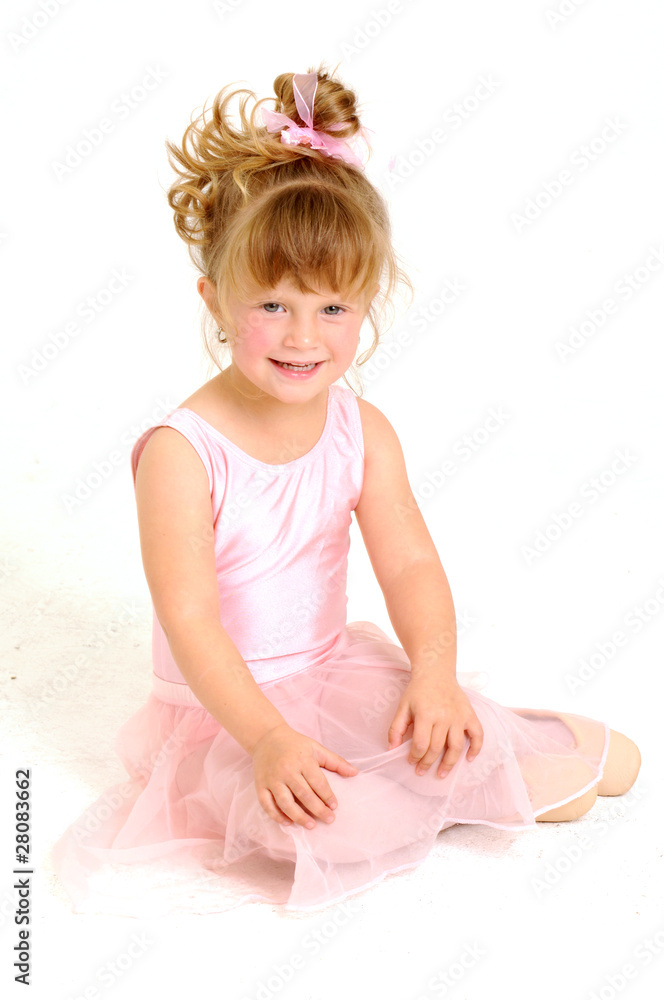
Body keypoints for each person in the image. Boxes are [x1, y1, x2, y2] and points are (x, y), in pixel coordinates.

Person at [50, 65, 641, 917]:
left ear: (367, 303)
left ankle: (458, 766)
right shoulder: (183, 453)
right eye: (272, 305)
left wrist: (433, 678)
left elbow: (409, 565)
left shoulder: (362, 428)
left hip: (333, 669)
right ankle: (428, 794)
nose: (302, 336)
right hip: (230, 713)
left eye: (332, 308)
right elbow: (192, 620)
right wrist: (268, 739)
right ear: (215, 298)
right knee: (329, 824)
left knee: (595, 767)